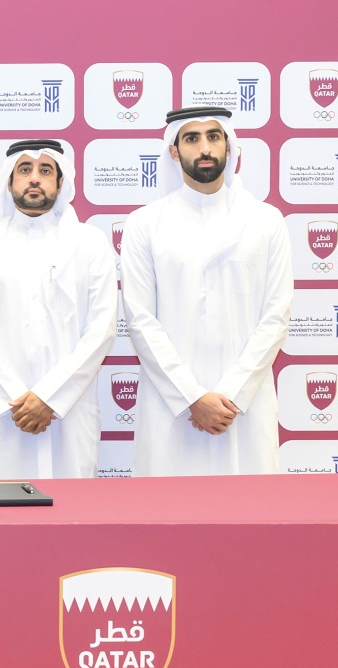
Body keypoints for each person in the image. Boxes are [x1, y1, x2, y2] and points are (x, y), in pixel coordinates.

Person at [121, 106, 293, 476]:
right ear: (174, 150)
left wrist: (230, 395)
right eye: (192, 138)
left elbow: (276, 316)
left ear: (229, 147)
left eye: (214, 137)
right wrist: (192, 397)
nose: (204, 148)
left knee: (249, 509)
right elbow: (140, 320)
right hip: (172, 409)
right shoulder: (144, 224)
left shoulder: (266, 221)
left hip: (244, 408)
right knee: (169, 508)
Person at [0, 140, 116, 479]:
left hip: (68, 414)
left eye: (45, 171)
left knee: (72, 508)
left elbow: (101, 329)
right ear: (9, 180)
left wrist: (50, 397)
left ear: (60, 182)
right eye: (24, 170)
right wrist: (17, 399)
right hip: (2, 413)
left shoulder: (90, 243)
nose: (34, 178)